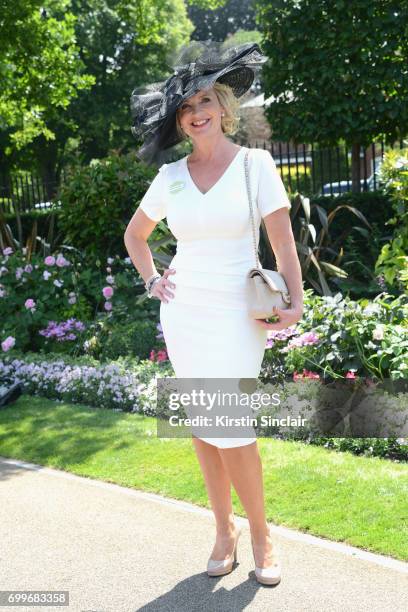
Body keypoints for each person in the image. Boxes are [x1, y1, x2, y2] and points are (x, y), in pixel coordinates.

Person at [125, 41, 304, 586]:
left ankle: (260, 535)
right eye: (186, 107)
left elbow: (283, 240)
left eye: (204, 100)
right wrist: (154, 279)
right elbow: (136, 236)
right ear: (179, 121)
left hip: (237, 311)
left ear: (224, 107)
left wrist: (295, 302)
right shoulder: (172, 176)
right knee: (204, 424)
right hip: (185, 312)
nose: (196, 112)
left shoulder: (256, 165)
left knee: (233, 425)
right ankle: (223, 531)